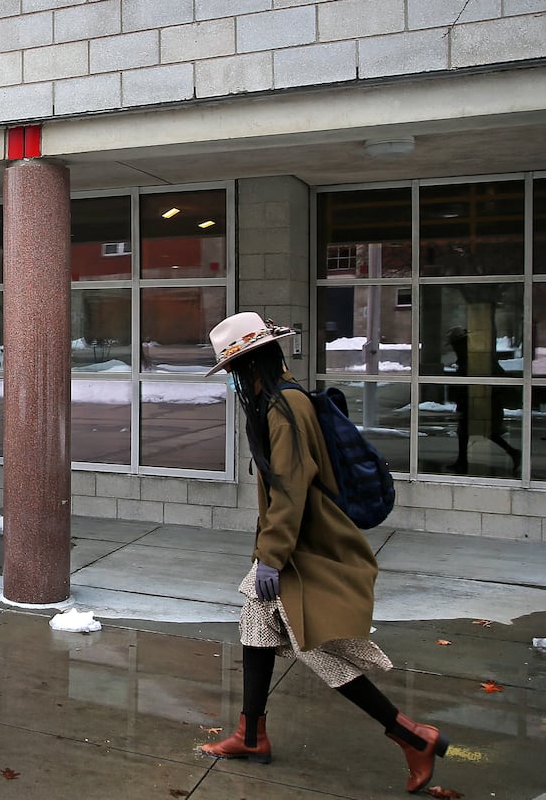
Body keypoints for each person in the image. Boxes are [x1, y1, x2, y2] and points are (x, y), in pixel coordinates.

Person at [198, 312, 450, 794]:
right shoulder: (281, 399)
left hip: (303, 548)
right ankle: (251, 735)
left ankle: (411, 734)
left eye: (234, 371)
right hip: (290, 544)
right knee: (255, 624)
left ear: (250, 365)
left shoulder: (282, 408)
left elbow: (291, 489)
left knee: (314, 648)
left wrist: (270, 556)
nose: (234, 381)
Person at [445, 326, 519, 474]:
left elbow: (496, 377)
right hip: (473, 401)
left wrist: (487, 396)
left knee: (484, 431)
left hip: (482, 401)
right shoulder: (467, 356)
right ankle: (462, 461)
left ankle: (513, 452)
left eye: (454, 344)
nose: (453, 348)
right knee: (465, 431)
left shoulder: (476, 356)